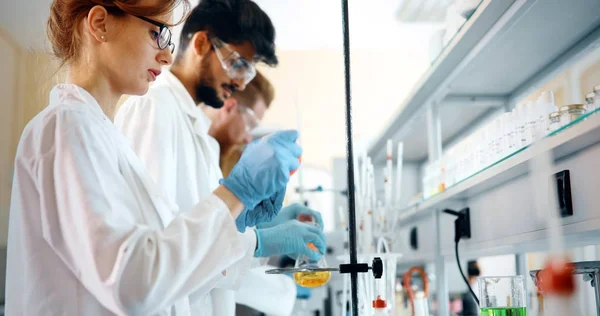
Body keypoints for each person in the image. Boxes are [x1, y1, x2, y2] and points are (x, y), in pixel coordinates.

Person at [5, 0, 302, 315]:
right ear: (100, 24)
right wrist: (236, 195)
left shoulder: (103, 135)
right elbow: (134, 284)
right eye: (155, 33)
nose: (168, 55)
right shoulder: (67, 126)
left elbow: (170, 269)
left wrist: (237, 220)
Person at [114, 0, 325, 315]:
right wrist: (261, 240)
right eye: (239, 63)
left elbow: (205, 248)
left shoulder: (200, 136)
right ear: (201, 43)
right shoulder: (154, 108)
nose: (241, 82)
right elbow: (156, 257)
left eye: (250, 71)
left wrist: (245, 224)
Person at [207, 70, 274, 178]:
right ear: (229, 108)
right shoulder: (183, 144)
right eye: (250, 124)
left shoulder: (223, 160)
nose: (248, 139)